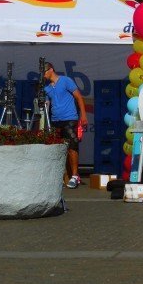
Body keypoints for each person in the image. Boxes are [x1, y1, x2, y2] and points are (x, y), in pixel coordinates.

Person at [40, 59, 86, 188]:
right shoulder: (47, 88)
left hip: (70, 118)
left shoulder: (66, 80)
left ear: (51, 70)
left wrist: (83, 115)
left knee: (72, 146)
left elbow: (79, 97)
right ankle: (63, 176)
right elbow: (47, 105)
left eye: (44, 72)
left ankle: (75, 176)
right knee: (59, 149)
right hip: (55, 120)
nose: (43, 75)